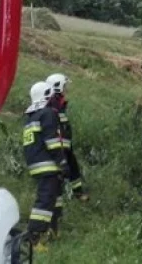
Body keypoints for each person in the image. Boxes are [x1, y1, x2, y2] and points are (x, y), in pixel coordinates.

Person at [22, 81, 68, 250]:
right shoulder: (48, 114)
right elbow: (53, 141)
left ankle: (52, 230)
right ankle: (34, 239)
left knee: (54, 200)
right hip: (47, 165)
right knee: (45, 202)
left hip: (38, 165)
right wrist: (62, 162)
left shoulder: (32, 116)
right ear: (48, 96)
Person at [46, 72, 89, 202]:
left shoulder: (60, 103)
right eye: (64, 86)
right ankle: (63, 196)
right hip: (58, 145)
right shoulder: (52, 103)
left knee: (73, 167)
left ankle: (78, 194)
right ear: (57, 87)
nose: (66, 89)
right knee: (61, 171)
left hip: (65, 145)